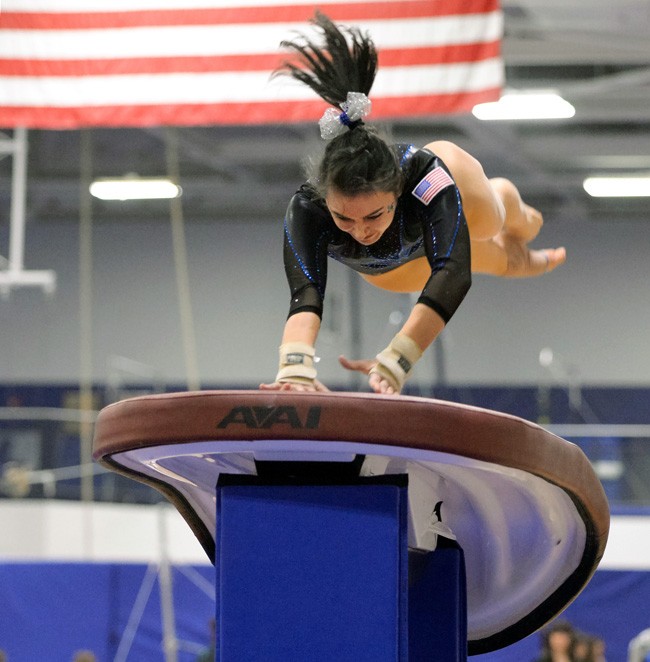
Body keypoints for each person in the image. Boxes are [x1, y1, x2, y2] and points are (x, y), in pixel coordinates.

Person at [260, 13, 566, 395]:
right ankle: (524, 260)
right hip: (393, 266)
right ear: (326, 201)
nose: (361, 230)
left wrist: (399, 357)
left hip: (457, 190)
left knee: (489, 223)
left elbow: (452, 271)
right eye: (344, 218)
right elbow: (305, 295)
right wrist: (295, 369)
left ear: (396, 191)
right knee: (497, 261)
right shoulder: (307, 209)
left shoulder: (423, 176)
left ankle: (512, 205)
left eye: (374, 213)